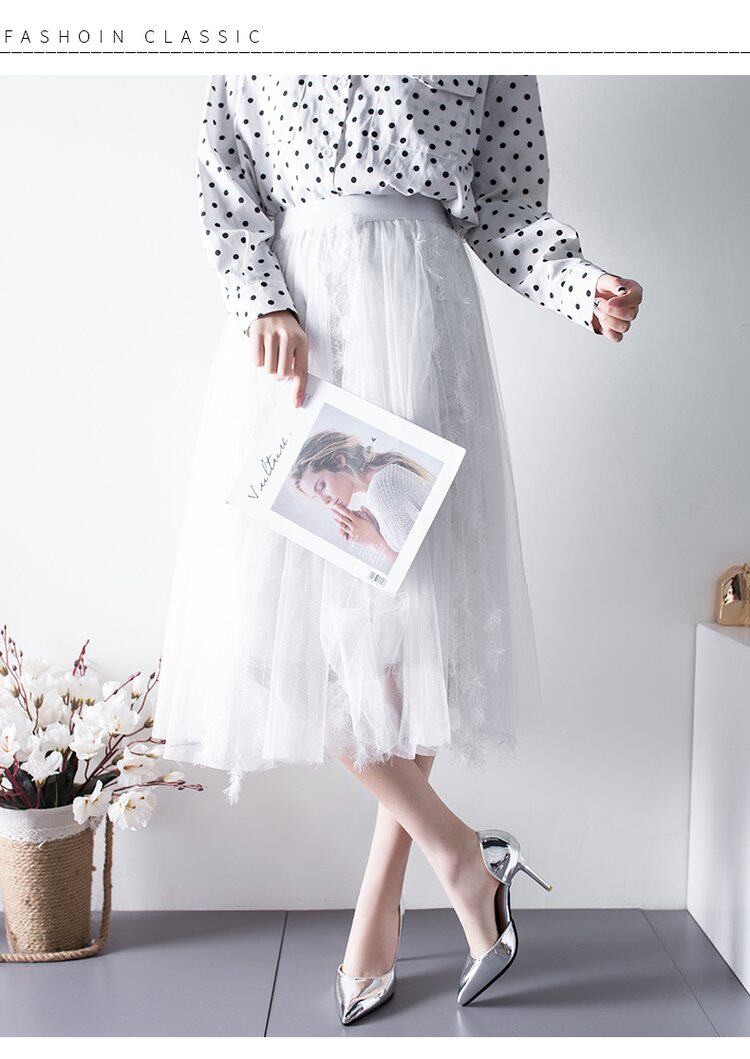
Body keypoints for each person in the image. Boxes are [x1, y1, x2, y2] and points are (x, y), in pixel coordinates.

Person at [154, 74, 643, 1023]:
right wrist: (260, 297)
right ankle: (461, 857)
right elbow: (225, 175)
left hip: (423, 326)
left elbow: (507, 210)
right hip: (297, 336)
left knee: (410, 637)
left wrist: (582, 287)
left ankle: (380, 902)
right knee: (260, 636)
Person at [292, 430, 434, 564]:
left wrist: (374, 541)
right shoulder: (385, 478)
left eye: (321, 487)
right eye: (316, 497)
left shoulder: (381, 489)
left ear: (339, 461)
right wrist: (379, 529)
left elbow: (423, 565)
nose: (325, 501)